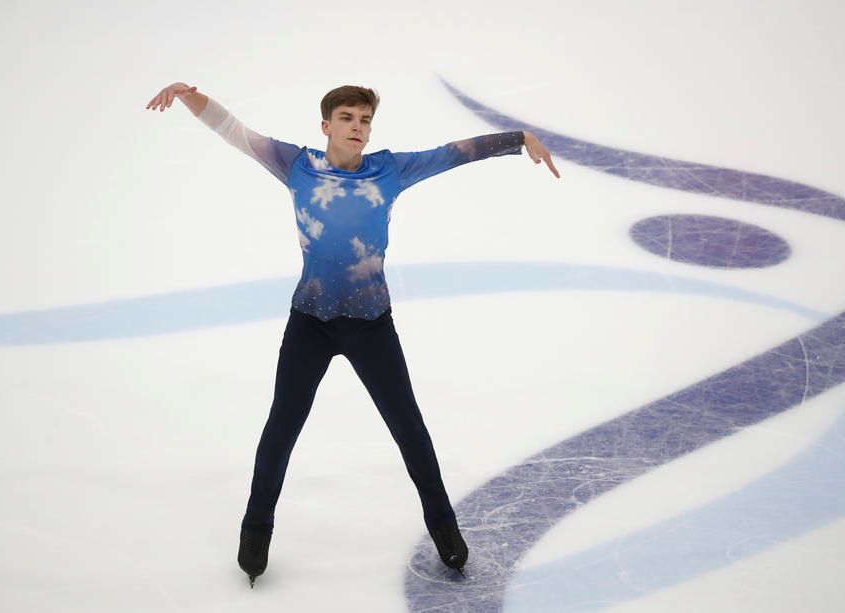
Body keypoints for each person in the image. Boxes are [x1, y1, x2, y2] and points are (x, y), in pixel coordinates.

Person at [145, 82, 560, 587]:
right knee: (281, 429)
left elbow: (453, 153)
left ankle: (445, 530)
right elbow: (234, 131)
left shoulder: (390, 170)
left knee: (409, 428)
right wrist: (187, 95)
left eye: (364, 120)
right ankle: (255, 531)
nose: (357, 127)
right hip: (311, 322)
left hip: (371, 326)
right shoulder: (296, 165)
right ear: (326, 126)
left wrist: (519, 139)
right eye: (347, 118)